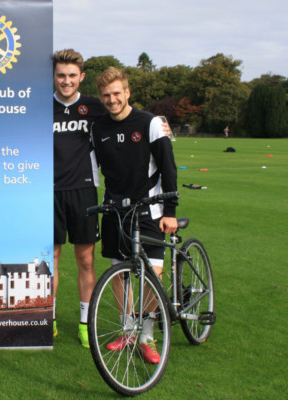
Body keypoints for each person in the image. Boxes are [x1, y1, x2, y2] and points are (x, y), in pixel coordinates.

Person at [91, 66, 178, 364]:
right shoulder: (98, 128)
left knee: (153, 275)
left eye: (117, 93)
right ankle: (127, 330)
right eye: (106, 95)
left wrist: (170, 211)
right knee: (120, 275)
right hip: (115, 210)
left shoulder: (150, 123)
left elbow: (169, 168)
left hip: (149, 210)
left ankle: (147, 336)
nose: (112, 99)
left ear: (127, 92)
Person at [51, 49, 106, 348]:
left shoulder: (95, 107)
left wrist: (156, 124)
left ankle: (86, 324)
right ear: (54, 77)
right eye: (61, 75)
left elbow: (127, 116)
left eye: (72, 75)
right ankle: (50, 319)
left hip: (84, 191)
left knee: (86, 259)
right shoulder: (41, 107)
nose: (66, 81)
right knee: (52, 259)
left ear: (81, 77)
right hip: (49, 192)